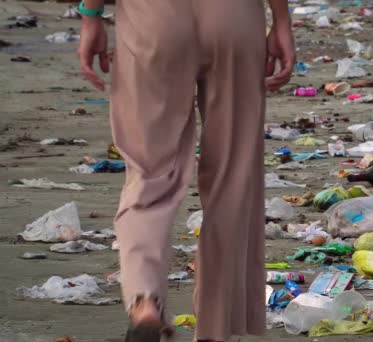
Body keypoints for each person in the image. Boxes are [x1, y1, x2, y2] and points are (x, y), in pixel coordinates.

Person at [77, 0, 295, 341]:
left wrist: (90, 14)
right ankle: (215, 325)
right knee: (232, 176)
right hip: (233, 18)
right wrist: (281, 20)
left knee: (148, 171)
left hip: (152, 19)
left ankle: (144, 299)